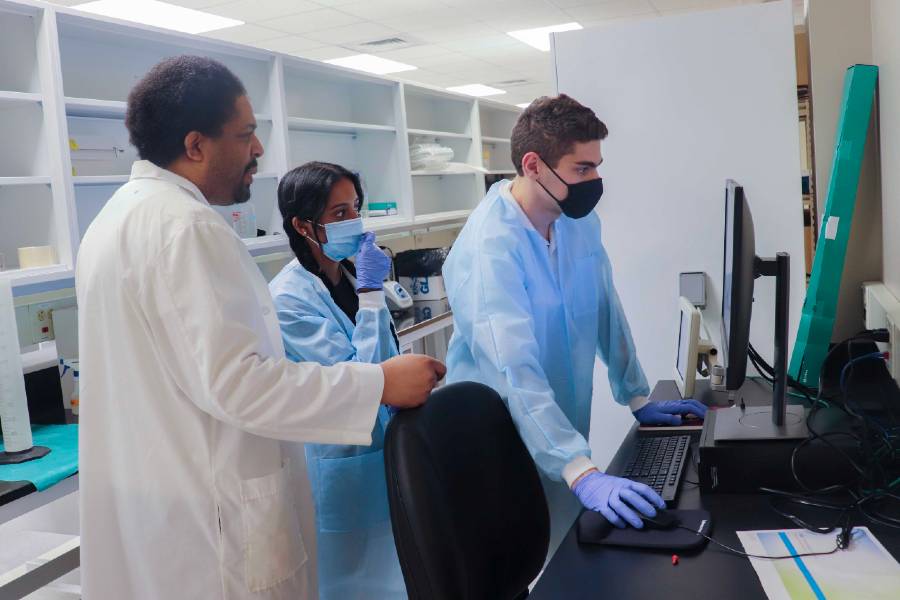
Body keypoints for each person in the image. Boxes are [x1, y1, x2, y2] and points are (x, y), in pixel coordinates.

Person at [76, 56, 445, 600]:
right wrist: (379, 384)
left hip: (169, 513)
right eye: (246, 133)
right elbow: (239, 383)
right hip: (215, 531)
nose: (258, 150)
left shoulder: (117, 219)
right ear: (196, 144)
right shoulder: (186, 228)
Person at [442, 95, 706, 555]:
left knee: (567, 550)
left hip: (560, 426)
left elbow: (605, 307)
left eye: (598, 167)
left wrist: (636, 394)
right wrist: (579, 469)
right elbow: (512, 369)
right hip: (496, 435)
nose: (595, 181)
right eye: (582, 169)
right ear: (534, 165)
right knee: (515, 560)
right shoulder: (489, 250)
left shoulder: (575, 223)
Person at [268, 162, 405, 599]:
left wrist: (368, 292)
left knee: (398, 576)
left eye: (356, 208)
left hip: (384, 451)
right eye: (340, 212)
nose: (355, 222)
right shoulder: (288, 300)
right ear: (303, 225)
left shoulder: (348, 277)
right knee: (349, 583)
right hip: (340, 462)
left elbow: (387, 367)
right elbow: (364, 380)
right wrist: (369, 294)